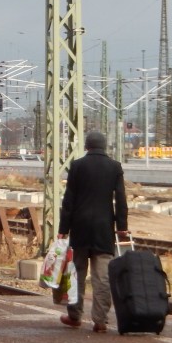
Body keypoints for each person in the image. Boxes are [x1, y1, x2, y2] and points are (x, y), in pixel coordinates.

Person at [57, 130, 128, 332]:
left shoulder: (77, 166)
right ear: (104, 147)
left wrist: (63, 229)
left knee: (77, 274)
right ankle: (100, 320)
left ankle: (75, 316)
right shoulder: (114, 167)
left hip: (79, 227)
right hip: (103, 228)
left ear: (87, 146)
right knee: (102, 277)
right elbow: (121, 200)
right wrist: (121, 227)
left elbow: (68, 200)